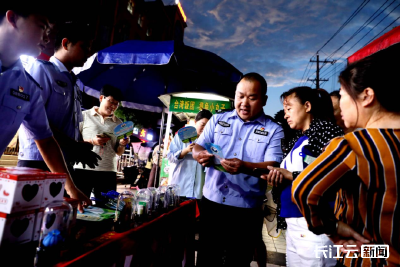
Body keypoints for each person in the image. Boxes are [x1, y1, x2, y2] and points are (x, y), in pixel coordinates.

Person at [292, 55, 400, 266]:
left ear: (367, 96)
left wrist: (332, 228)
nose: (340, 104)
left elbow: (303, 190)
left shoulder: (353, 145)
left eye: (342, 95)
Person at [0, 1, 90, 211]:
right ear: (12, 18)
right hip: (32, 162)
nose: (47, 38)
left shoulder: (26, 85)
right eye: (41, 27)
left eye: (49, 30)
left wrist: (70, 188)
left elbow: (46, 139)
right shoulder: (41, 71)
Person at [193, 73, 284, 266]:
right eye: (240, 96)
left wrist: (245, 166)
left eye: (252, 97)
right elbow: (198, 146)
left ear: (264, 100)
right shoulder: (217, 119)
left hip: (246, 211)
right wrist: (200, 155)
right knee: (207, 259)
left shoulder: (274, 130)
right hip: (212, 204)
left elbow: (272, 166)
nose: (244, 103)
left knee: (237, 261)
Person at [263, 87, 343, 266]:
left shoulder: (326, 131)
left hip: (315, 225)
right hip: (294, 223)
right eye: (284, 111)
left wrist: (291, 175)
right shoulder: (297, 139)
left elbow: (333, 173)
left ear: (307, 106)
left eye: (289, 109)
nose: (285, 115)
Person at [18, 21, 100, 192]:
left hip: (62, 164)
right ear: (65, 43)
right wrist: (73, 146)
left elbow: (65, 125)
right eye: (84, 46)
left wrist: (78, 145)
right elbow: (35, 121)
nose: (88, 52)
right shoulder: (41, 69)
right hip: (37, 162)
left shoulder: (74, 83)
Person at [73, 85, 129, 199]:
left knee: (106, 207)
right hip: (83, 168)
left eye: (116, 104)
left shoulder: (119, 123)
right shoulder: (83, 116)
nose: (113, 106)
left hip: (108, 170)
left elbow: (118, 152)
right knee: (79, 205)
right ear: (101, 98)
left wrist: (122, 144)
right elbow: (74, 142)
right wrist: (92, 141)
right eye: (111, 101)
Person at [168, 109, 212, 200]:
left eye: (208, 126)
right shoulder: (182, 135)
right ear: (195, 122)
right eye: (202, 125)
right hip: (180, 188)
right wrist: (186, 151)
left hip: (199, 191)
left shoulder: (211, 142)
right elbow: (170, 157)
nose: (204, 129)